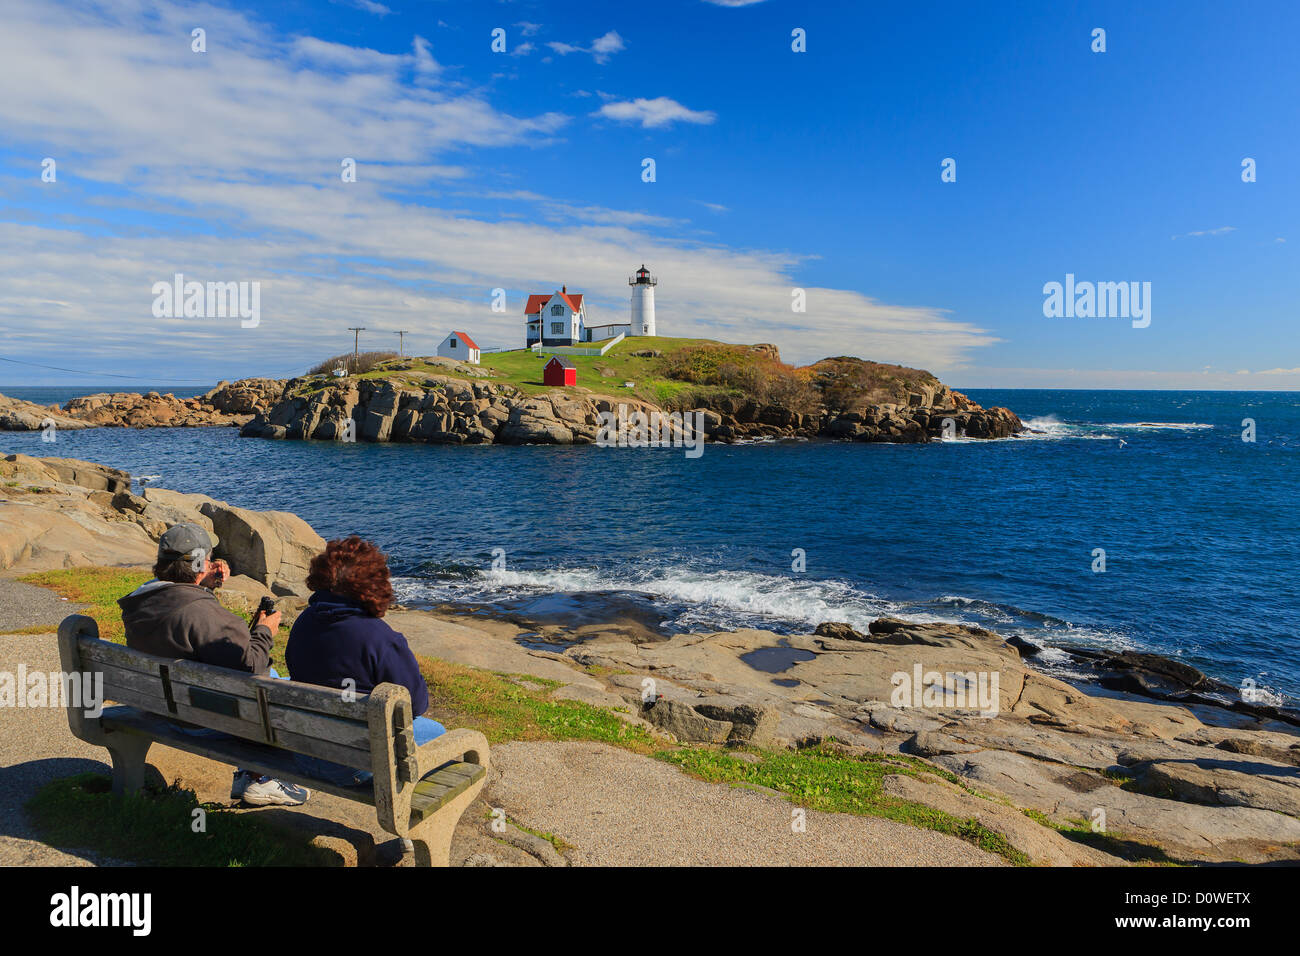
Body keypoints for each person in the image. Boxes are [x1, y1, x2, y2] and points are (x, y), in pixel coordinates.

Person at [118, 522, 310, 808]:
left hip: (162, 708)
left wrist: (202, 584)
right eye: (208, 560)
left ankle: (254, 773)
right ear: (199, 564)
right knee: (273, 683)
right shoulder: (200, 613)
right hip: (202, 720)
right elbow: (251, 665)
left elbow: (187, 618)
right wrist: (265, 630)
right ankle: (263, 778)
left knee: (260, 684)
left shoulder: (142, 603)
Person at [287, 536, 445, 787]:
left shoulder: (303, 623)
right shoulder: (379, 638)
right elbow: (415, 705)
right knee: (439, 734)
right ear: (373, 583)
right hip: (354, 765)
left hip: (305, 752)